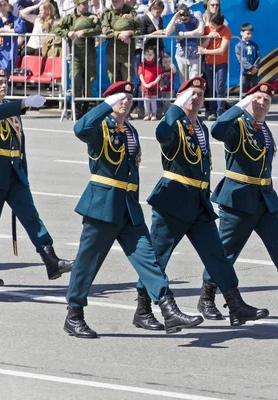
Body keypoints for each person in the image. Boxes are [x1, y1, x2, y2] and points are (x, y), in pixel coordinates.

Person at [65, 81, 204, 338]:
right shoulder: (100, 128)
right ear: (109, 100)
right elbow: (80, 128)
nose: (127, 101)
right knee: (87, 263)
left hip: (128, 207)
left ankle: (168, 308)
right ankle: (74, 315)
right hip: (102, 206)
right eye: (120, 97)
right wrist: (106, 106)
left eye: (130, 97)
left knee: (148, 259)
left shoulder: (131, 130)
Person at [134, 77, 269, 328]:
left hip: (199, 202)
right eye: (190, 93)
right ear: (180, 96)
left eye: (199, 94)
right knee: (158, 257)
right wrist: (175, 106)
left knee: (217, 255)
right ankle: (142, 309)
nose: (196, 98)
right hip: (173, 200)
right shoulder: (173, 122)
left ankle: (236, 305)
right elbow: (162, 134)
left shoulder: (201, 127)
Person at [202, 83, 278, 320]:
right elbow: (217, 130)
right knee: (225, 251)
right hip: (239, 198)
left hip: (266, 198)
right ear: (248, 100)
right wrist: (240, 106)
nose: (262, 103)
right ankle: (207, 297)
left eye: (267, 100)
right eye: (257, 98)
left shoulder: (264, 128)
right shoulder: (237, 124)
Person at [0, 68, 74, 291]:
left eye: (5, 82)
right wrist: (21, 104)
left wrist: (24, 175)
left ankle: (51, 261)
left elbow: (19, 147)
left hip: (14, 174)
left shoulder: (11, 112)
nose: (3, 86)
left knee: (32, 217)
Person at [52, 0, 102, 120]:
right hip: (75, 55)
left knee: (89, 81)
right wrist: (67, 33)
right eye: (83, 4)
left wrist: (84, 32)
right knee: (76, 79)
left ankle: (86, 107)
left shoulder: (92, 17)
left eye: (86, 4)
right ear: (77, 5)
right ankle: (76, 108)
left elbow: (99, 29)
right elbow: (55, 28)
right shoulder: (69, 18)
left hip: (89, 54)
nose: (85, 6)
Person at [199, 13, 232, 121]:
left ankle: (220, 110)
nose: (212, 26)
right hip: (208, 63)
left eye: (214, 25)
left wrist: (206, 51)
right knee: (210, 87)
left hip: (221, 63)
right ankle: (212, 111)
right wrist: (209, 36)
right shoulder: (207, 29)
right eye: (211, 24)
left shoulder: (226, 30)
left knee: (220, 87)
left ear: (220, 25)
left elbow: (222, 50)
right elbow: (202, 46)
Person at [102, 0, 142, 83]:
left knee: (127, 81)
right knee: (113, 81)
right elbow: (105, 29)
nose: (114, 3)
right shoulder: (107, 13)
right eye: (113, 1)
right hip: (113, 52)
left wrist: (130, 33)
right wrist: (119, 35)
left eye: (117, 1)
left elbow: (140, 28)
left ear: (123, 1)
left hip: (127, 53)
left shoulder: (131, 12)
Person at [0, 0, 26, 76]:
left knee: (5, 73)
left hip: (8, 50)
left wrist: (7, 30)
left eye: (4, 5)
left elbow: (21, 29)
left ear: (8, 5)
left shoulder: (14, 19)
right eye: (0, 5)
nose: (2, 7)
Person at [165, 3, 204, 83]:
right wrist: (174, 18)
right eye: (182, 19)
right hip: (181, 54)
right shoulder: (177, 20)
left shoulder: (196, 15)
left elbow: (201, 31)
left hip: (194, 54)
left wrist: (184, 34)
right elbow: (167, 33)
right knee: (184, 83)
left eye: (185, 19)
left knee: (194, 81)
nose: (183, 20)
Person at [138, 47, 162, 121]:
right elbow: (140, 75)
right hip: (145, 86)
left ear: (154, 55)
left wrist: (154, 82)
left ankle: (154, 114)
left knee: (153, 100)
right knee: (146, 100)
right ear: (144, 55)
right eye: (147, 54)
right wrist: (145, 84)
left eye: (150, 54)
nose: (148, 56)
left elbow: (159, 75)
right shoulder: (141, 65)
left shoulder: (156, 65)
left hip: (154, 86)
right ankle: (147, 114)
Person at [236, 23, 260, 95]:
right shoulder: (239, 45)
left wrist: (255, 67)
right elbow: (241, 59)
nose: (249, 36)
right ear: (241, 33)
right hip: (244, 72)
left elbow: (258, 57)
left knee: (254, 89)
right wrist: (250, 68)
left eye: (251, 34)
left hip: (254, 72)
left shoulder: (254, 45)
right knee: (244, 89)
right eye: (247, 33)